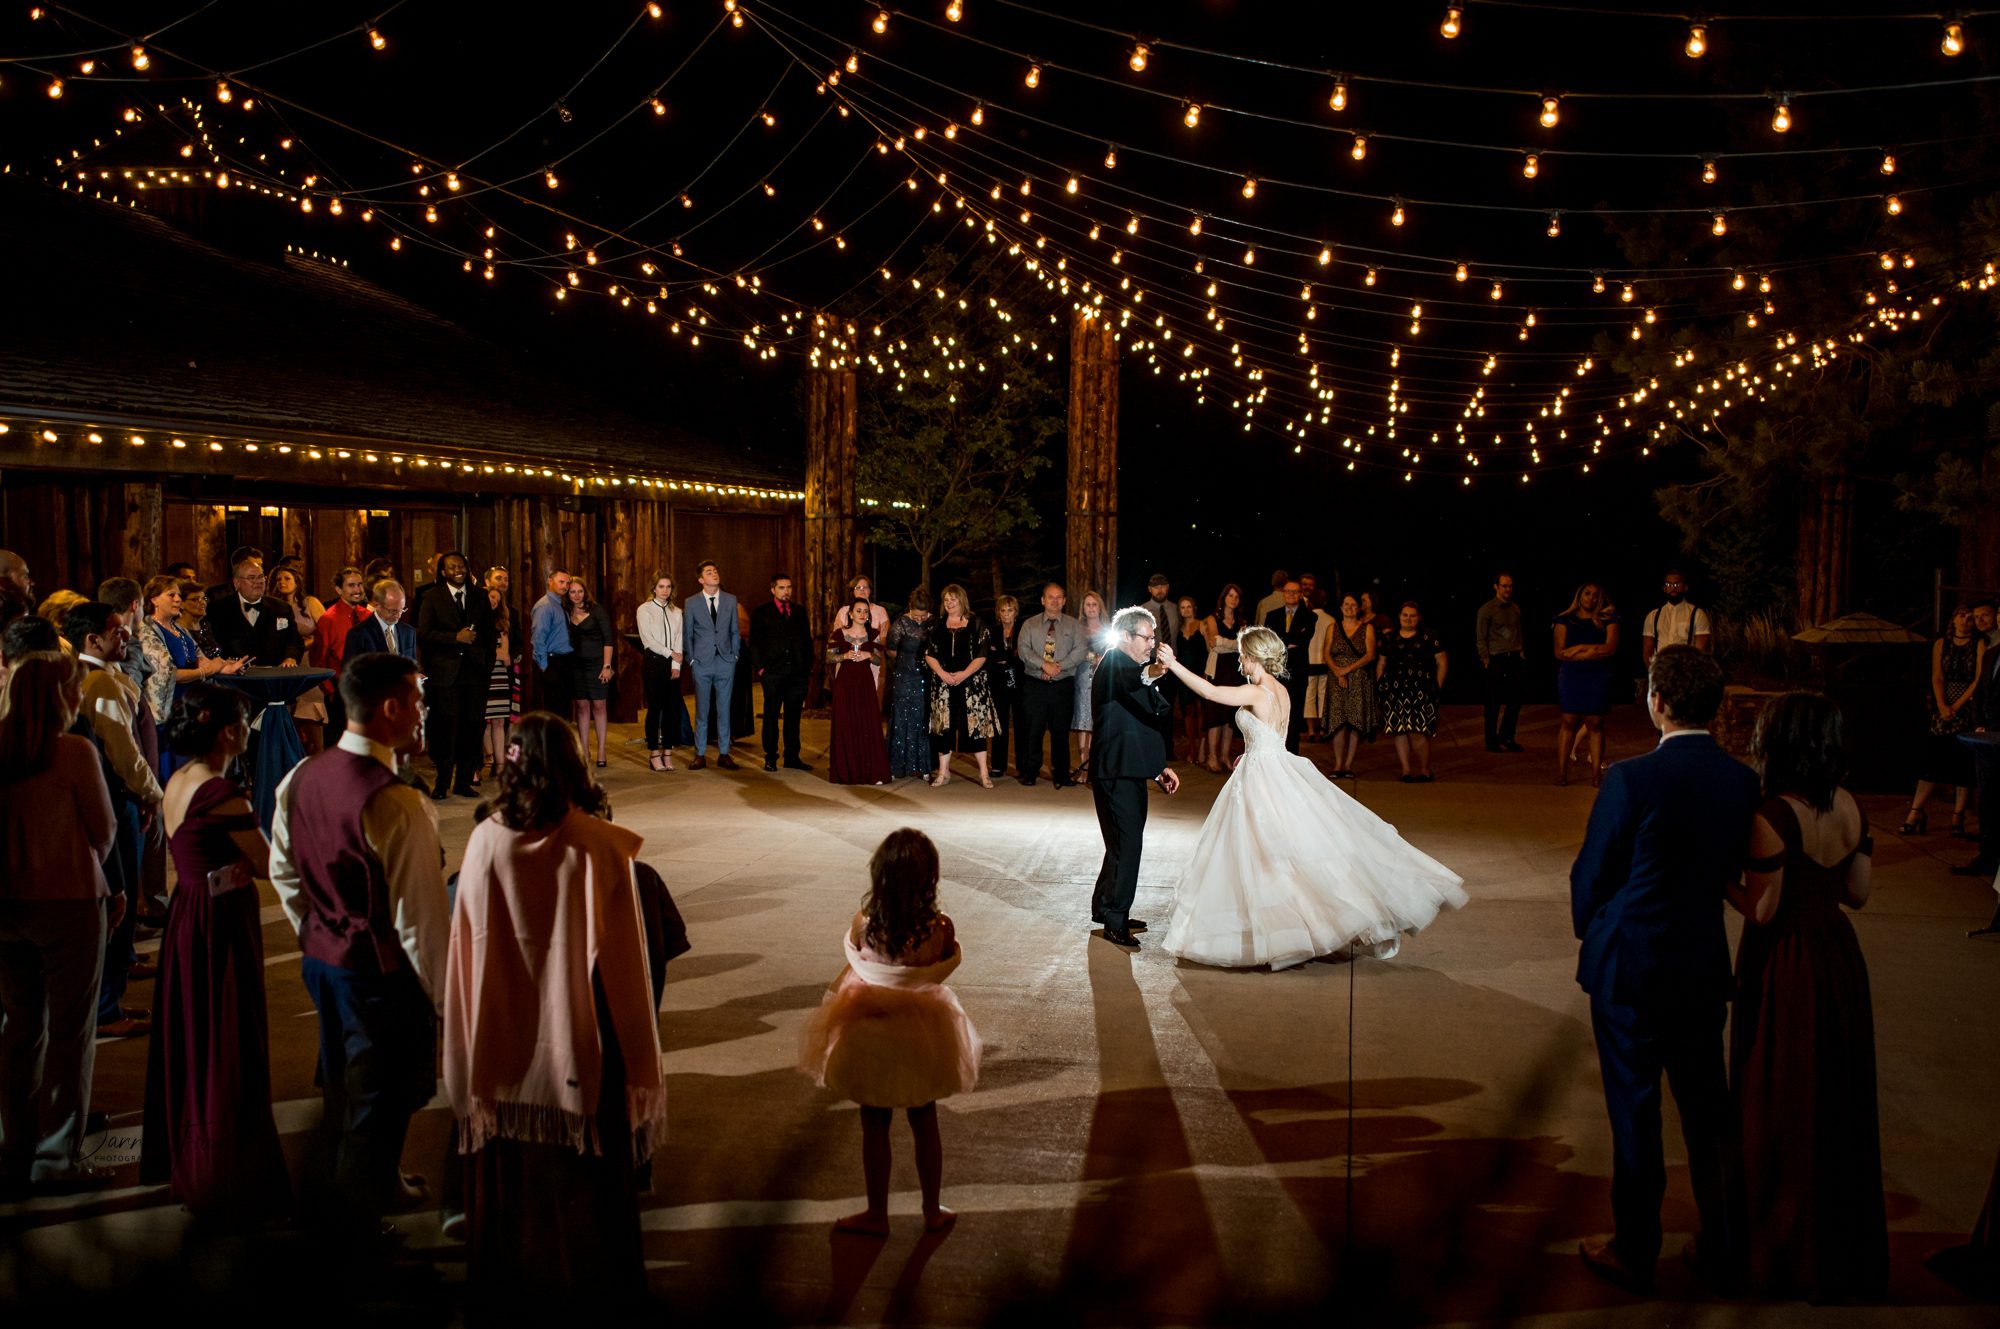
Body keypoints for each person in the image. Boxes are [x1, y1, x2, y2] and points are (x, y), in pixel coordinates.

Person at [446, 712, 665, 1315]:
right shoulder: (598, 844)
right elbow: (626, 963)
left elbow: (466, 944)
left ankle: (511, 1285)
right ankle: (593, 1289)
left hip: (503, 1021)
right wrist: (639, 1051)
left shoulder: (486, 838)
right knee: (585, 1173)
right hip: (584, 1025)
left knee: (515, 1165)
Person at [1569, 645, 1757, 1295]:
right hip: (1700, 962)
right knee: (1709, 1113)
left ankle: (1636, 1248)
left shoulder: (1630, 779)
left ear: (1657, 701)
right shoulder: (1740, 781)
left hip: (1633, 966)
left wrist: (1591, 925)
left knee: (1636, 1114)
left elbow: (1592, 872)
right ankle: (1726, 1245)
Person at [1158, 626, 1467, 968]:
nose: (1240, 660)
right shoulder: (1283, 691)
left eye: (1243, 655)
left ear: (1254, 656)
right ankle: (1306, 926)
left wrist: (1173, 665)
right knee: (1290, 851)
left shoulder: (1258, 692)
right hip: (1276, 767)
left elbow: (1212, 692)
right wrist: (1250, 752)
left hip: (1262, 779)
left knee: (1262, 853)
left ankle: (1277, 934)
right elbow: (1274, 736)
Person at [271, 652, 449, 1246]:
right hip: (380, 975)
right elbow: (421, 921)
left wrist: (317, 930)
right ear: (392, 708)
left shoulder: (300, 776)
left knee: (346, 1088)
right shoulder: (398, 804)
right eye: (419, 702)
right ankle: (354, 1242)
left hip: (323, 961)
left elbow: (283, 868)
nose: (426, 713)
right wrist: (447, 1002)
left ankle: (373, 1193)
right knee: (379, 1101)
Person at [1726, 693, 1887, 1300]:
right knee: (1835, 1098)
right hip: (1839, 959)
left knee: (1779, 1097)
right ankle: (1838, 1253)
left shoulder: (1773, 814)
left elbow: (1762, 910)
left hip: (1786, 963)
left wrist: (1720, 877)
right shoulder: (1852, 808)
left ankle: (1780, 1249)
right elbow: (1858, 895)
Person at [139, 683, 289, 1225]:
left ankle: (189, 1151)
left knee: (192, 1030)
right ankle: (225, 1166)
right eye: (244, 723)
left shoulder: (179, 779)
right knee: (225, 1032)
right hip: (219, 921)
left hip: (188, 910)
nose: (247, 732)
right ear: (227, 731)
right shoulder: (224, 796)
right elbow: (270, 863)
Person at [798, 828, 981, 1236]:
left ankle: (877, 1213)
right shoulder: (940, 926)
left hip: (871, 1027)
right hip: (922, 1030)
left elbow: (856, 959)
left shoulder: (864, 924)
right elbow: (946, 962)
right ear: (928, 878)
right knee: (924, 1117)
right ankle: (931, 1209)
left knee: (874, 1124)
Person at [0, 651, 118, 1195]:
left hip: (7, 906)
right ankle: (57, 1157)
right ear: (59, 696)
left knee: (20, 1029)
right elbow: (103, 828)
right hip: (69, 899)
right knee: (71, 1032)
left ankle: (14, 1147)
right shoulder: (72, 751)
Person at [66, 600, 161, 1037]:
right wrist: (152, 794)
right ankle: (107, 1007)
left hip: (110, 798)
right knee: (120, 897)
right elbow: (125, 750)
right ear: (93, 640)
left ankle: (110, 998)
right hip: (117, 798)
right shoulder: (100, 684)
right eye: (117, 631)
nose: (127, 637)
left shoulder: (88, 676)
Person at [1086, 606, 1181, 947]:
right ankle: (1115, 918)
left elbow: (1140, 725)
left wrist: (1158, 768)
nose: (1151, 643)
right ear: (1125, 636)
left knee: (1121, 843)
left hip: (1130, 770)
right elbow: (1134, 679)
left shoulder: (1130, 669)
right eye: (1146, 636)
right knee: (1127, 844)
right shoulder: (1114, 662)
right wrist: (1156, 669)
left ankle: (1106, 908)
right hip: (1114, 770)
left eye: (1154, 637)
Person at [417, 551, 497, 796]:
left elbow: (489, 634)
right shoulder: (431, 596)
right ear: (443, 572)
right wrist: (455, 638)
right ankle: (441, 784)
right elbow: (424, 634)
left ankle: (463, 782)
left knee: (472, 728)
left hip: (475, 674)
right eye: (452, 567)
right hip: (445, 676)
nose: (458, 570)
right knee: (445, 728)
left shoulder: (479, 596)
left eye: (461, 565)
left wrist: (487, 666)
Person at [1903, 605, 1983, 836]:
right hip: (1943, 705)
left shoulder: (1977, 645)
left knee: (1962, 762)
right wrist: (1941, 705)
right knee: (1932, 759)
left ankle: (1957, 815)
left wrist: (1958, 706)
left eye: (1970, 618)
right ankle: (1916, 810)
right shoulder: (1941, 644)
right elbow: (1937, 675)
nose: (1965, 621)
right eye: (1961, 616)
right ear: (1953, 619)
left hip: (1964, 706)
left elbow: (1977, 679)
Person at [137, 573, 236, 737]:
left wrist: (224, 667)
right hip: (169, 711)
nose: (177, 599)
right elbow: (169, 674)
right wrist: (208, 671)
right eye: (171, 595)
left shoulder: (179, 629)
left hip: (192, 705)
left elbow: (199, 657)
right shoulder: (147, 631)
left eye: (179, 595)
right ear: (154, 599)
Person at [925, 584, 999, 788]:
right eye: (946, 600)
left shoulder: (976, 623)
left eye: (953, 599)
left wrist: (964, 674)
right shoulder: (937, 625)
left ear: (962, 601)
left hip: (972, 684)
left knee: (976, 728)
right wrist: (942, 674)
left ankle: (984, 774)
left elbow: (983, 654)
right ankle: (943, 772)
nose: (949, 603)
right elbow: (929, 654)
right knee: (944, 728)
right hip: (943, 683)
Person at [1014, 583, 1088, 787]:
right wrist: (1043, 666)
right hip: (1034, 685)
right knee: (1033, 730)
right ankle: (1030, 772)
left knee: (1060, 732)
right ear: (1043, 600)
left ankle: (1061, 774)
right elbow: (1024, 650)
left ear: (1064, 601)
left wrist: (1058, 667)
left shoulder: (1074, 626)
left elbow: (1080, 651)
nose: (1054, 601)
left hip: (1062, 686)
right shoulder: (1029, 624)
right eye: (1050, 597)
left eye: (1058, 597)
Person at [1553, 583, 1622, 788]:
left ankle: (1596, 776)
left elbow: (1609, 648)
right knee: (1568, 720)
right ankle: (1562, 772)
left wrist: (1581, 649)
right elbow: (1560, 652)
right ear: (1579, 595)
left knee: (1595, 722)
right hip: (1572, 674)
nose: (1591, 598)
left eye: (1595, 595)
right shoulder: (1564, 619)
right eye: (1587, 594)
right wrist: (1590, 653)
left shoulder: (1608, 619)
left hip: (1598, 674)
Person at [751, 574, 815, 773]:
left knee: (793, 718)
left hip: (796, 674)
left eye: (789, 587)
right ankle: (770, 756)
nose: (786, 591)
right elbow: (753, 644)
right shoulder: (761, 613)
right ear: (773, 590)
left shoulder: (799, 612)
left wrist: (806, 670)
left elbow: (807, 642)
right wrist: (761, 670)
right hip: (773, 674)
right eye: (781, 587)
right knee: (771, 717)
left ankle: (792, 756)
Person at [1378, 602, 1447, 783]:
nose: (1408, 618)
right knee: (1400, 731)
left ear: (1419, 617)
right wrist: (1381, 685)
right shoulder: (1390, 638)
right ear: (1399, 616)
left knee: (1418, 732)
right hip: (1395, 691)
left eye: (1412, 615)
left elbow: (1442, 662)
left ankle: (1424, 769)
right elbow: (1381, 663)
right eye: (1405, 615)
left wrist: (1437, 687)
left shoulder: (1429, 636)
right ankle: (1406, 770)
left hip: (1422, 691)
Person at [828, 595, 891, 785]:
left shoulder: (873, 634)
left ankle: (871, 772)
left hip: (865, 684)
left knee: (868, 724)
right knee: (846, 724)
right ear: (850, 613)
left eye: (865, 612)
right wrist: (845, 655)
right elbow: (829, 658)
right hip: (845, 684)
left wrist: (867, 655)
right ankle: (846, 773)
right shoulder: (839, 634)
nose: (862, 614)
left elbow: (879, 659)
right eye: (858, 611)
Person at [683, 560, 740, 771]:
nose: (714, 574)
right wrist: (691, 660)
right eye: (709, 572)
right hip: (702, 663)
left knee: (724, 710)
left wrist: (734, 656)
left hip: (725, 662)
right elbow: (688, 634)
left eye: (715, 571)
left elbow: (735, 630)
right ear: (701, 579)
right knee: (702, 711)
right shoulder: (691, 602)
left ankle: (724, 753)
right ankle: (700, 754)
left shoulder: (730, 600)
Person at [1322, 593, 1379, 780]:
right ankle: (1338, 763)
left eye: (1353, 604)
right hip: (1336, 679)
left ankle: (1348, 764)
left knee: (1355, 722)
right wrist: (1338, 671)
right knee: (1338, 721)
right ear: (1341, 607)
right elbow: (1326, 654)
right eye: (1346, 604)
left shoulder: (1367, 628)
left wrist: (1346, 670)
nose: (1349, 607)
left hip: (1359, 678)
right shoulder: (1332, 628)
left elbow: (1370, 655)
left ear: (1358, 608)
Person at [205, 559, 303, 666]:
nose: (259, 582)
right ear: (237, 583)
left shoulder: (281, 608)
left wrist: (291, 657)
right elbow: (211, 644)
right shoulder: (218, 609)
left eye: (261, 577)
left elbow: (294, 641)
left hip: (274, 675)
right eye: (252, 578)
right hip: (233, 678)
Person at [635, 574, 687, 771]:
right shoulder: (645, 609)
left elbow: (679, 640)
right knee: (655, 709)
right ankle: (654, 753)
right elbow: (647, 640)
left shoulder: (677, 611)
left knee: (672, 710)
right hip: (653, 663)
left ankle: (667, 752)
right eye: (661, 586)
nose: (665, 590)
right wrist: (670, 653)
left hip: (672, 665)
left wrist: (676, 664)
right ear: (653, 589)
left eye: (668, 587)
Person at [562, 578, 615, 770]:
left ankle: (601, 750)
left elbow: (608, 640)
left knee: (599, 705)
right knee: (581, 706)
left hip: (597, 664)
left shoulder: (597, 610)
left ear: (586, 592)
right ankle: (584, 750)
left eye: (580, 591)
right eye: (572, 592)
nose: (577, 595)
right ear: (568, 594)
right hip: (575, 664)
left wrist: (607, 666)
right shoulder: (566, 612)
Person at [312, 567, 372, 736]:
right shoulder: (328, 619)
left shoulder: (368, 615)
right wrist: (329, 690)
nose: (358, 590)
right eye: (351, 585)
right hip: (339, 688)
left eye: (360, 585)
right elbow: (318, 658)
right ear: (339, 589)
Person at [886, 588, 934, 780]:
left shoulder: (934, 622)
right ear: (910, 608)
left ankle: (923, 766)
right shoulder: (901, 623)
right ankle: (898, 765)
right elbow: (890, 649)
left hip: (926, 676)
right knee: (902, 717)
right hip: (904, 677)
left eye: (923, 616)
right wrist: (906, 660)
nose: (920, 619)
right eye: (916, 615)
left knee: (922, 717)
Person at [1200, 584, 1249, 774]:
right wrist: (1234, 644)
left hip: (1236, 670)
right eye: (1230, 596)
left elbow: (1243, 646)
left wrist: (1225, 643)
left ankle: (1225, 757)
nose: (1233, 600)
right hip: (1217, 670)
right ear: (1224, 597)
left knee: (1230, 717)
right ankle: (1212, 757)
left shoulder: (1241, 621)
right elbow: (1214, 643)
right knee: (1215, 717)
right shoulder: (1213, 619)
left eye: (1237, 597)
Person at [1263, 579, 1315, 756]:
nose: (1291, 595)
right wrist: (1287, 642)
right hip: (1275, 673)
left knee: (1293, 717)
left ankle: (1291, 755)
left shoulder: (1310, 616)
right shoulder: (1272, 615)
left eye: (1295, 592)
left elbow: (1301, 640)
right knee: (1275, 715)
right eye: (1287, 591)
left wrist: (1280, 642)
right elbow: (1269, 642)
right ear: (1283, 593)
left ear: (1300, 595)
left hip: (1297, 675)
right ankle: (1274, 754)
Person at [1476, 571, 1526, 754]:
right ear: (1496, 586)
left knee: (1515, 700)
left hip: (1513, 657)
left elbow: (1518, 631)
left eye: (1510, 586)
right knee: (1493, 702)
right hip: (1496, 658)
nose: (1508, 589)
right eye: (1504, 585)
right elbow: (1481, 637)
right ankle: (1491, 740)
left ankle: (1507, 735)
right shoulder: (1487, 609)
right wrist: (1486, 659)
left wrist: (1521, 652)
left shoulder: (1515, 608)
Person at [482, 586, 520, 784]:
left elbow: (505, 657)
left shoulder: (501, 623)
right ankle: (478, 764)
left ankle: (500, 765)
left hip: (499, 676)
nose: (494, 601)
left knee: (498, 722)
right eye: (491, 597)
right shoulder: (477, 622)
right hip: (481, 676)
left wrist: (489, 653)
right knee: (481, 723)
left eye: (497, 598)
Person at [1070, 590, 1109, 780]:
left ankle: (1096, 764)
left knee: (1097, 719)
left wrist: (1104, 658)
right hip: (1084, 675)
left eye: (1094, 604)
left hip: (1103, 676)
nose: (1091, 608)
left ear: (1100, 606)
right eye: (1088, 605)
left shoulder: (1109, 628)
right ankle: (1083, 764)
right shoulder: (1078, 628)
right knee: (1084, 719)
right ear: (1083, 608)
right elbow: (1074, 651)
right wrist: (1093, 657)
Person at [986, 595, 1025, 778]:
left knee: (1021, 723)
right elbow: (990, 657)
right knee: (999, 723)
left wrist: (1005, 657)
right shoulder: (992, 630)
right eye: (1003, 610)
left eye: (1010, 610)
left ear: (1015, 612)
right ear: (998, 613)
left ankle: (1023, 766)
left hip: (1020, 681)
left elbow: (1021, 656)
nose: (1006, 614)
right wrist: (1008, 657)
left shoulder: (1023, 629)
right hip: (998, 682)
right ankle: (998, 765)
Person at [1640, 569, 1712, 665]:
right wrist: (1652, 672)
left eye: (1677, 584)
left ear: (1685, 587)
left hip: (1686, 670)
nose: (1673, 588)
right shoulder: (1653, 616)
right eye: (1669, 585)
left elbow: (1700, 651)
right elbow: (1647, 650)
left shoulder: (1697, 614)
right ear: (1664, 588)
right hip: (1661, 670)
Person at [530, 568, 575, 717]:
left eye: (567, 583)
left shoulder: (559, 604)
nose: (565, 586)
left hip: (564, 662)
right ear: (550, 581)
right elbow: (538, 638)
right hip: (552, 662)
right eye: (561, 582)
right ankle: (554, 740)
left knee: (563, 709)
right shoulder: (545, 606)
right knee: (555, 710)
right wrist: (545, 667)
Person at [831, 576, 891, 689]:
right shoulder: (844, 611)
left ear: (870, 590)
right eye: (858, 587)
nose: (862, 590)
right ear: (852, 591)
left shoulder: (880, 611)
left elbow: (884, 637)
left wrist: (869, 653)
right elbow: (836, 640)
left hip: (872, 662)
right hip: (847, 662)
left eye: (865, 587)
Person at [343, 579, 419, 661]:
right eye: (392, 611)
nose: (398, 615)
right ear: (376, 605)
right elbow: (350, 672)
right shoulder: (358, 634)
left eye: (401, 610)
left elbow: (412, 667)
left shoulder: (409, 632)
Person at [1171, 594, 1208, 762]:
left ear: (1194, 608)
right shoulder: (1177, 629)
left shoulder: (1202, 625)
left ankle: (1202, 749)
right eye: (1182, 607)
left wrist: (1207, 673)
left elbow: (1209, 650)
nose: (1186, 610)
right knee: (1188, 712)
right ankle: (1191, 749)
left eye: (1188, 606)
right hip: (1184, 676)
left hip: (1200, 673)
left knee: (1202, 712)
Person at [180, 580, 222, 659]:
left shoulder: (206, 625)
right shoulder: (177, 630)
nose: (203, 602)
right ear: (181, 604)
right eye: (195, 599)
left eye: (204, 598)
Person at [1144, 574, 1181, 646]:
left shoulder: (1176, 608)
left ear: (1168, 587)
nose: (1160, 590)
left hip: (1174, 655)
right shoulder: (1142, 610)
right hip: (1150, 656)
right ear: (1149, 589)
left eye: (1163, 587)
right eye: (1156, 587)